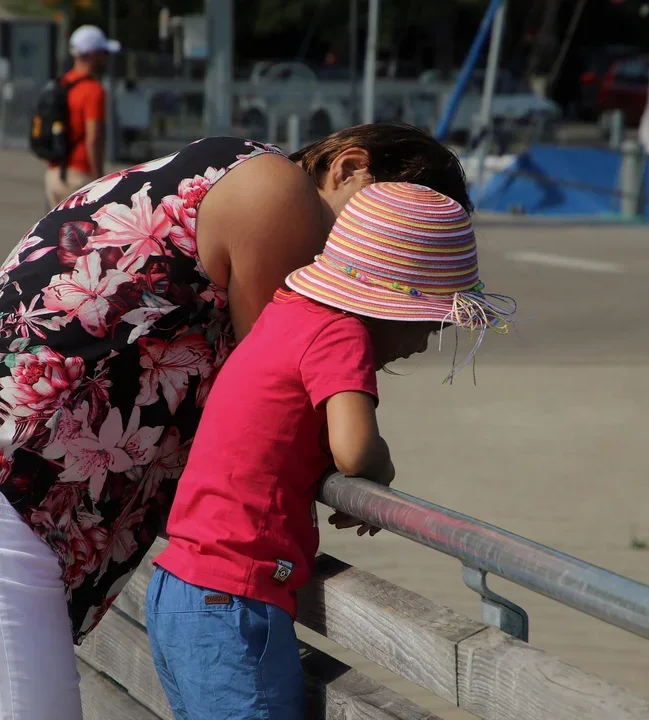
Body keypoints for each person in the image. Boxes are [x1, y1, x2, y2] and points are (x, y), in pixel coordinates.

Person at [0, 124, 474, 720]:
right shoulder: (278, 192)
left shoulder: (212, 168)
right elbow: (270, 394)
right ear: (348, 166)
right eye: (385, 221)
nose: (378, 245)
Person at [144, 182, 515, 720]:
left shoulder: (286, 312)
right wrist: (381, 469)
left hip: (183, 588)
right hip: (233, 603)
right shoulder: (341, 334)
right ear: (387, 308)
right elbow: (355, 450)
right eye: (430, 323)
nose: (426, 341)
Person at [44, 25, 122, 210]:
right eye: (103, 53)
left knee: (59, 236)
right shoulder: (93, 90)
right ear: (92, 54)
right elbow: (93, 137)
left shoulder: (61, 83)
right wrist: (98, 179)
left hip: (54, 174)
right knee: (87, 236)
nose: (105, 58)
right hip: (79, 177)